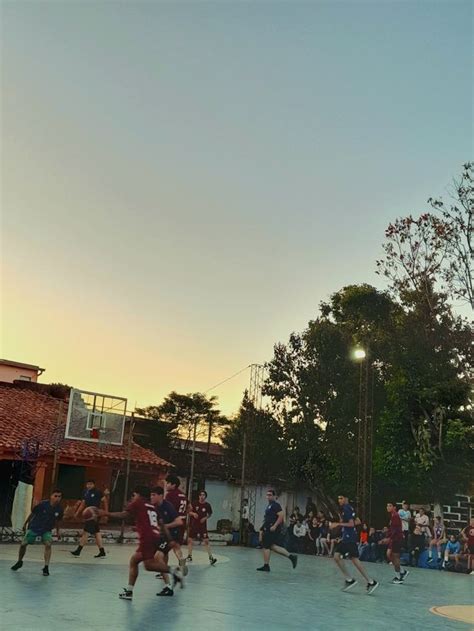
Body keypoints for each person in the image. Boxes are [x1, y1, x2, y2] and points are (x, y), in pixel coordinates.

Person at [100, 485, 182, 600]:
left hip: (147, 538)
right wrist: (171, 540)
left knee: (148, 566)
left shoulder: (138, 503)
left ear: (138, 495)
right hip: (156, 537)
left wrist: (105, 513)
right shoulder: (152, 507)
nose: (133, 498)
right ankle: (129, 591)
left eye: (133, 495)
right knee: (134, 560)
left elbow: (124, 515)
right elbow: (162, 525)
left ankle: (173, 571)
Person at [330, 494, 378, 594]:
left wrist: (338, 524)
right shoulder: (349, 508)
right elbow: (358, 521)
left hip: (349, 538)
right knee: (340, 556)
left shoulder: (347, 509)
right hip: (347, 537)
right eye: (338, 498)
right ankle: (353, 580)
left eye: (341, 498)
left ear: (346, 498)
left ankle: (368, 581)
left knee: (349, 558)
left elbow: (351, 524)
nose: (339, 500)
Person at [11, 489, 63, 576]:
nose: (57, 498)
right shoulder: (42, 504)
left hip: (46, 530)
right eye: (55, 496)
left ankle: (46, 567)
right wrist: (25, 524)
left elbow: (58, 521)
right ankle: (19, 561)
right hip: (34, 527)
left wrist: (58, 532)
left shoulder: (59, 509)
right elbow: (32, 514)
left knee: (48, 544)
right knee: (23, 544)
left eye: (59, 496)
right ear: (51, 496)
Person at [150, 486, 185, 597]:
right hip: (164, 535)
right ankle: (173, 571)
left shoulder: (167, 506)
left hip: (172, 536)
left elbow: (179, 522)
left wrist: (166, 526)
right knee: (163, 557)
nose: (152, 497)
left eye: (154, 495)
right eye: (151, 495)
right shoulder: (155, 507)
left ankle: (169, 586)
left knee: (157, 557)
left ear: (160, 496)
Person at [257, 489, 297, 572]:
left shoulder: (275, 505)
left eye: (270, 495)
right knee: (272, 546)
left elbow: (281, 516)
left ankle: (266, 565)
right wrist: (262, 529)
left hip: (272, 529)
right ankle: (291, 557)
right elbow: (267, 519)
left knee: (266, 546)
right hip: (268, 528)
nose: (268, 497)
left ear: (275, 496)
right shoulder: (269, 506)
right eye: (267, 495)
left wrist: (275, 526)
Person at [71, 480, 107, 558]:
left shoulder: (98, 492)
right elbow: (83, 503)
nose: (89, 486)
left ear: (94, 485)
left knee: (86, 532)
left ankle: (78, 551)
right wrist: (77, 513)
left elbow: (105, 501)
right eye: (88, 484)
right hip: (88, 514)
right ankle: (102, 551)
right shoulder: (85, 492)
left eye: (91, 484)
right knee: (97, 533)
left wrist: (105, 512)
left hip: (94, 514)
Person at [380, 502, 409, 584]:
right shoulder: (392, 516)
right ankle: (402, 571)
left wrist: (388, 538)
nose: (388, 507)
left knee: (395, 557)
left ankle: (399, 577)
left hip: (397, 539)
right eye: (387, 505)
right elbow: (392, 529)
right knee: (389, 555)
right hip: (394, 539)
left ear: (394, 507)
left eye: (390, 506)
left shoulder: (395, 516)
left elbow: (395, 530)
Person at [165, 474, 188, 575]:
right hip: (182, 522)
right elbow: (189, 507)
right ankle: (182, 563)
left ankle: (164, 570)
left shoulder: (170, 495)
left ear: (173, 485)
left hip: (173, 523)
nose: (166, 485)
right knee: (177, 547)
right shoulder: (183, 495)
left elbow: (167, 509)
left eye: (168, 483)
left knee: (164, 548)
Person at [187, 490, 217, 565]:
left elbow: (210, 514)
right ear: (198, 496)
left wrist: (205, 518)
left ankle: (211, 558)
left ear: (205, 496)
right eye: (200, 495)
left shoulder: (207, 505)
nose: (202, 496)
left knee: (206, 541)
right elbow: (188, 511)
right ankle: (189, 556)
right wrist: (193, 513)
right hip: (194, 525)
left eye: (203, 495)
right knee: (190, 540)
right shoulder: (194, 503)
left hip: (202, 526)